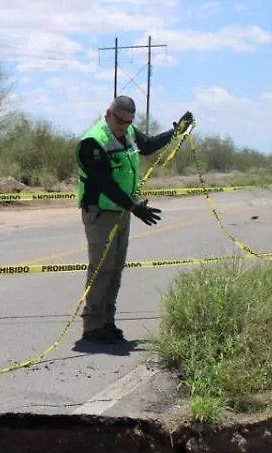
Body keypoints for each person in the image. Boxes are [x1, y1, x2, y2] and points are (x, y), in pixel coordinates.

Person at [76, 95, 193, 343]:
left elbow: (148, 145)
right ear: (108, 113)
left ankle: (107, 321)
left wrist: (176, 132)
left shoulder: (127, 132)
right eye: (120, 121)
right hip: (101, 212)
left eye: (128, 122)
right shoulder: (94, 141)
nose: (124, 126)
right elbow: (104, 182)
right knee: (101, 269)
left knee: (116, 269)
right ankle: (93, 325)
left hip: (121, 210)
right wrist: (134, 206)